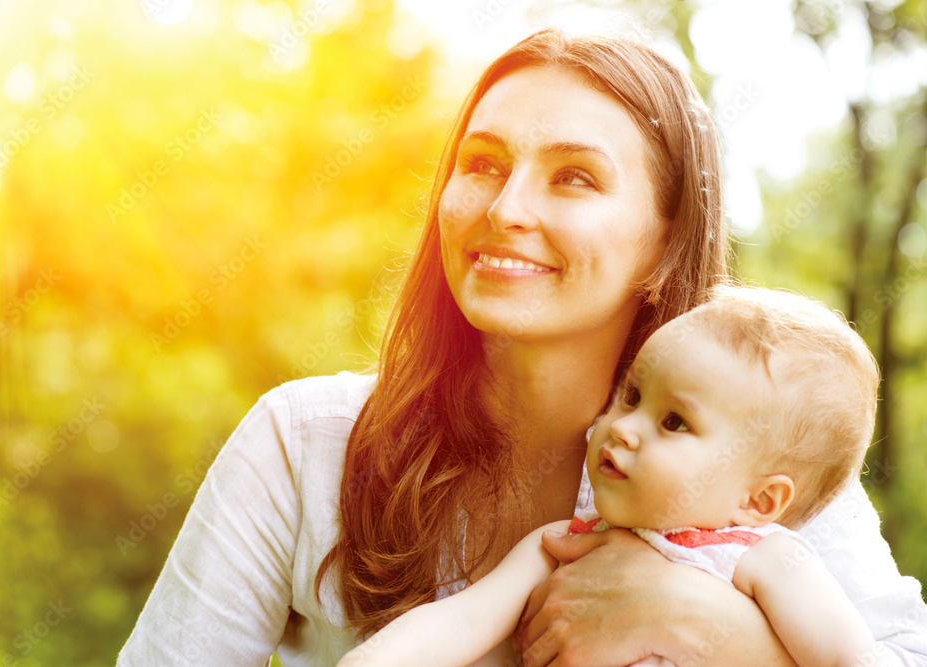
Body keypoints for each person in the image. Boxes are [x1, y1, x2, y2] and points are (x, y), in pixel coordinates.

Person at [117, 29, 927, 666]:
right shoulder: (303, 444)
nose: (504, 208)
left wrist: (699, 623)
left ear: (664, 243)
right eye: (482, 163)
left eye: (574, 177)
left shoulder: (751, 453)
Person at [336, 285, 882, 667]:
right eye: (632, 396)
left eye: (674, 422)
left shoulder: (763, 561)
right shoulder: (565, 545)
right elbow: (456, 623)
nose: (623, 429)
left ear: (760, 501)